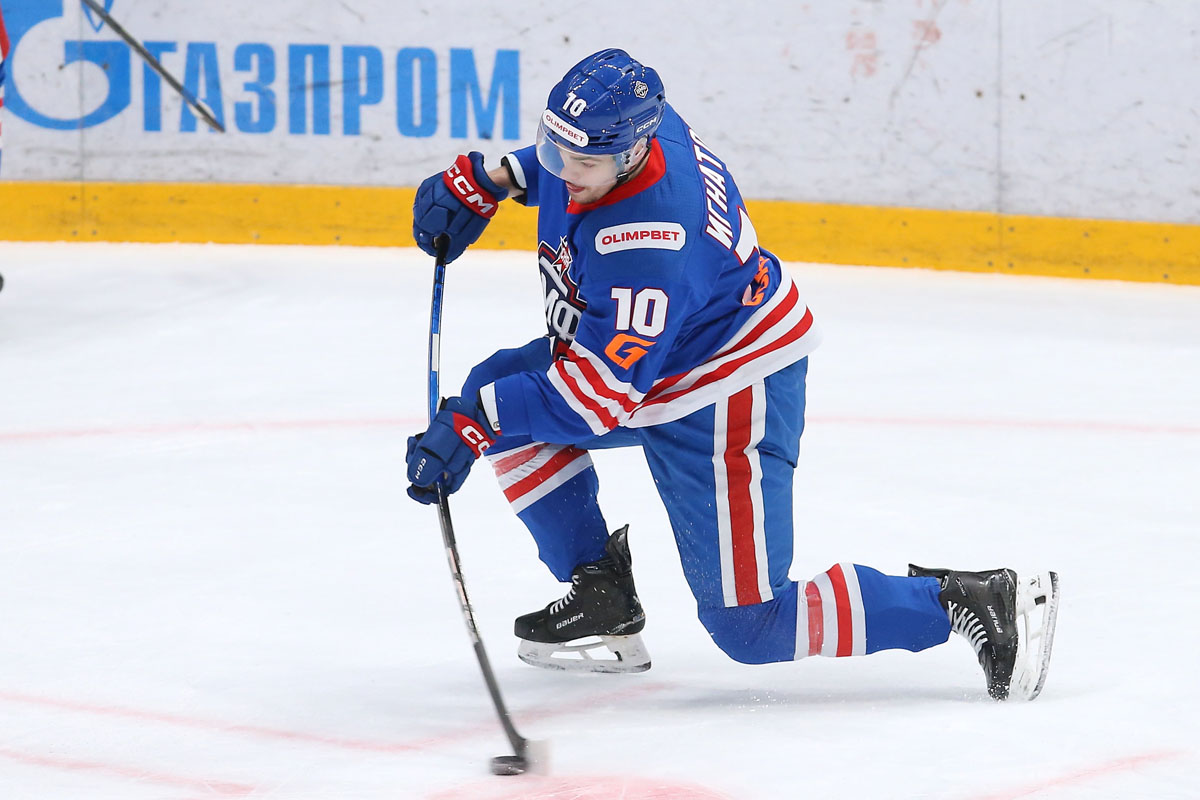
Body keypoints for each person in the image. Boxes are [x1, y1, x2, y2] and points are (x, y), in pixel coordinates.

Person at [405, 49, 1060, 700]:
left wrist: (476, 424)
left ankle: (968, 599)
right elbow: (569, 162)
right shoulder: (635, 127)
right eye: (557, 150)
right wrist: (495, 178)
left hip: (727, 388)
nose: (563, 172)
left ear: (630, 156)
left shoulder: (647, 243)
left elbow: (593, 400)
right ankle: (601, 594)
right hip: (660, 361)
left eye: (583, 162)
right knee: (501, 398)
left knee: (751, 625)